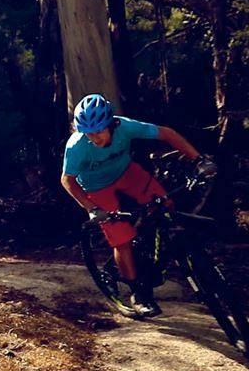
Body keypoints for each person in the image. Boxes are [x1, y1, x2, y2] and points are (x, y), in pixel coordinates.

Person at [58, 93, 211, 313]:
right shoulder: (77, 146)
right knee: (121, 239)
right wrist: (92, 209)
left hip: (126, 173)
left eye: (99, 131)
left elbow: (166, 133)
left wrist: (198, 160)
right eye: (88, 133)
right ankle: (138, 292)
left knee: (165, 207)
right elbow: (67, 180)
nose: (95, 138)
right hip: (96, 188)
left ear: (111, 124)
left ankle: (164, 253)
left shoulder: (125, 127)